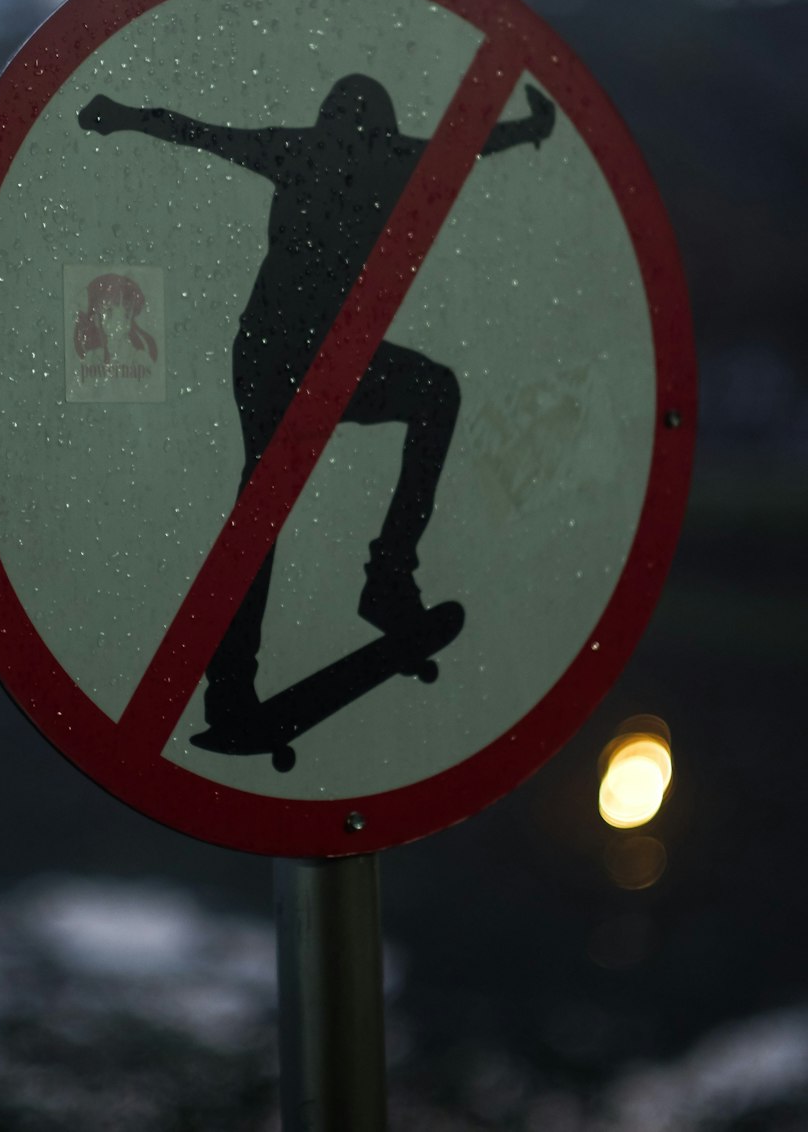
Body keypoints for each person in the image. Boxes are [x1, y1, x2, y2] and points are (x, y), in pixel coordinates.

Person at [79, 74, 555, 734]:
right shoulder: (377, 155)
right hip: (285, 357)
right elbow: (470, 143)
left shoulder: (310, 149)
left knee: (286, 494)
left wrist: (125, 116)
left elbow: (196, 131)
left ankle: (354, 599)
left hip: (308, 357)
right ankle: (348, 601)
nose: (352, 144)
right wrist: (530, 128)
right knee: (274, 503)